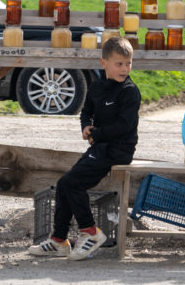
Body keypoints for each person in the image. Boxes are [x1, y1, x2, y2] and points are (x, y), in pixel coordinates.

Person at [29, 36, 140, 261]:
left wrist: (96, 134)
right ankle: (59, 240)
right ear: (104, 63)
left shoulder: (129, 91)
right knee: (64, 185)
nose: (124, 68)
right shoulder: (98, 86)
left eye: (128, 63)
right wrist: (86, 127)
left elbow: (125, 126)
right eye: (119, 64)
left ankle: (90, 232)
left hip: (118, 150)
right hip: (100, 147)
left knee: (73, 184)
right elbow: (86, 110)